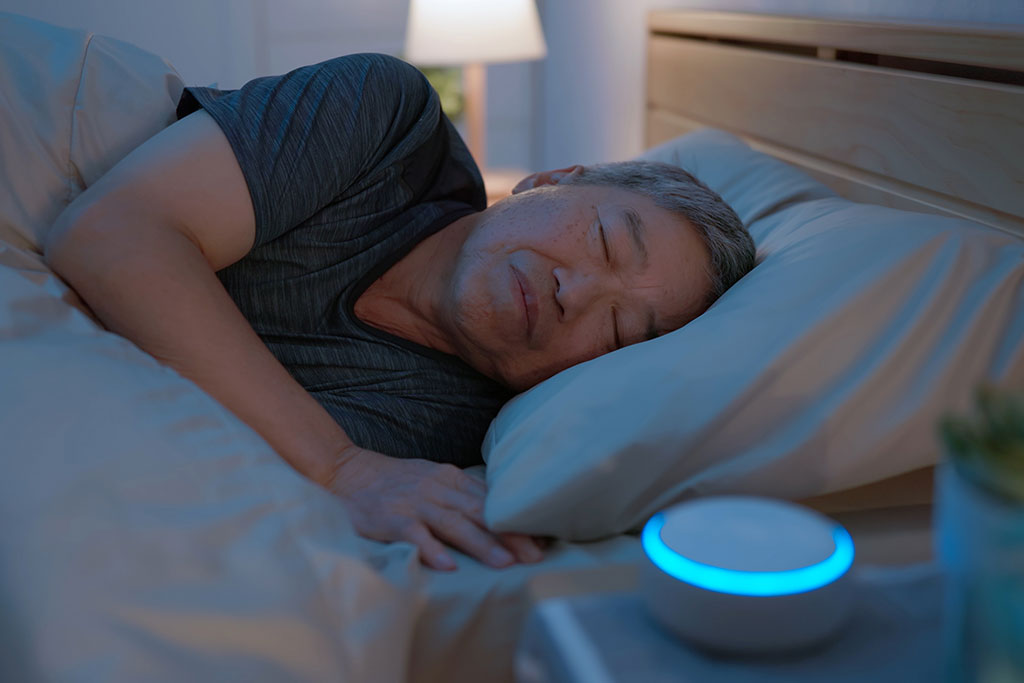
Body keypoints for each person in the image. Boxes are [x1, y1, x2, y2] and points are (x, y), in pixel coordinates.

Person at [44, 53, 755, 571]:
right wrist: (339, 468)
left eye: (618, 330)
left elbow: (169, 442)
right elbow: (109, 232)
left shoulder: (439, 426)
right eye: (604, 239)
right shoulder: (387, 124)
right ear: (552, 179)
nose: (579, 293)